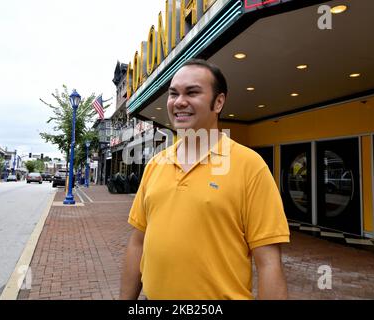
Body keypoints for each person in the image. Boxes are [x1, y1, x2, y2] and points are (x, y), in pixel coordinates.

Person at [120, 58, 290, 300]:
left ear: (218, 102)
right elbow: (138, 242)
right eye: (173, 94)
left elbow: (269, 263)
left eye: (192, 92)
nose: (179, 102)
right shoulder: (156, 164)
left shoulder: (250, 166)